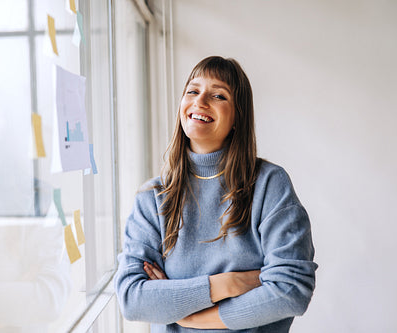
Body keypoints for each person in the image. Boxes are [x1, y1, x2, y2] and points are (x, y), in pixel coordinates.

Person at [114, 56, 317, 332]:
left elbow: (291, 291)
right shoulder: (153, 197)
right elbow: (132, 299)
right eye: (193, 91)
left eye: (218, 95)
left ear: (237, 117)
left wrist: (188, 316)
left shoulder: (269, 185)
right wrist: (229, 284)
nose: (200, 101)